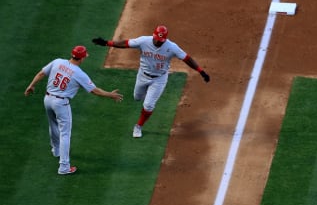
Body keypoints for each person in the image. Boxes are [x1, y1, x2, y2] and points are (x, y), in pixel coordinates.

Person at [92, 25, 210, 138]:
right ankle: (147, 99)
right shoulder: (144, 41)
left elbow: (187, 58)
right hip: (142, 75)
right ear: (154, 35)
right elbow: (126, 43)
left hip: (159, 79)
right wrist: (107, 43)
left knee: (148, 105)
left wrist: (201, 71)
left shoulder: (172, 47)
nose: (159, 42)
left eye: (161, 40)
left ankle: (138, 126)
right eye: (158, 39)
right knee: (137, 97)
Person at [25, 45, 123, 175]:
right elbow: (94, 90)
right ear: (82, 58)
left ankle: (56, 150)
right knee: (65, 133)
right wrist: (110, 95)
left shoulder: (57, 61)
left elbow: (42, 73)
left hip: (47, 99)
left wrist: (31, 85)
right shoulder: (79, 74)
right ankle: (64, 167)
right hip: (61, 103)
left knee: (53, 125)